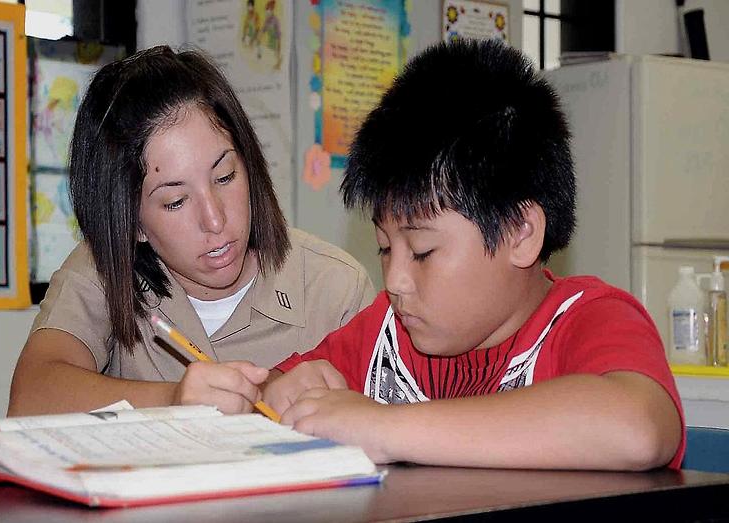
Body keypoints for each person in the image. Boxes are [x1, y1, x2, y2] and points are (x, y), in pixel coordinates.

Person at [262, 39, 685, 471]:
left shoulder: (590, 319)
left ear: (520, 234)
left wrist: (385, 427)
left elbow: (638, 429)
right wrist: (275, 394)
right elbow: (274, 394)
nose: (394, 281)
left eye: (423, 252)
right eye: (385, 249)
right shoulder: (385, 333)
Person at [8, 46, 375, 416]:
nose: (215, 220)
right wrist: (173, 402)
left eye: (225, 176)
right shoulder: (105, 269)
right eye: (175, 202)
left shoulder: (335, 289)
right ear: (132, 224)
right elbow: (31, 398)